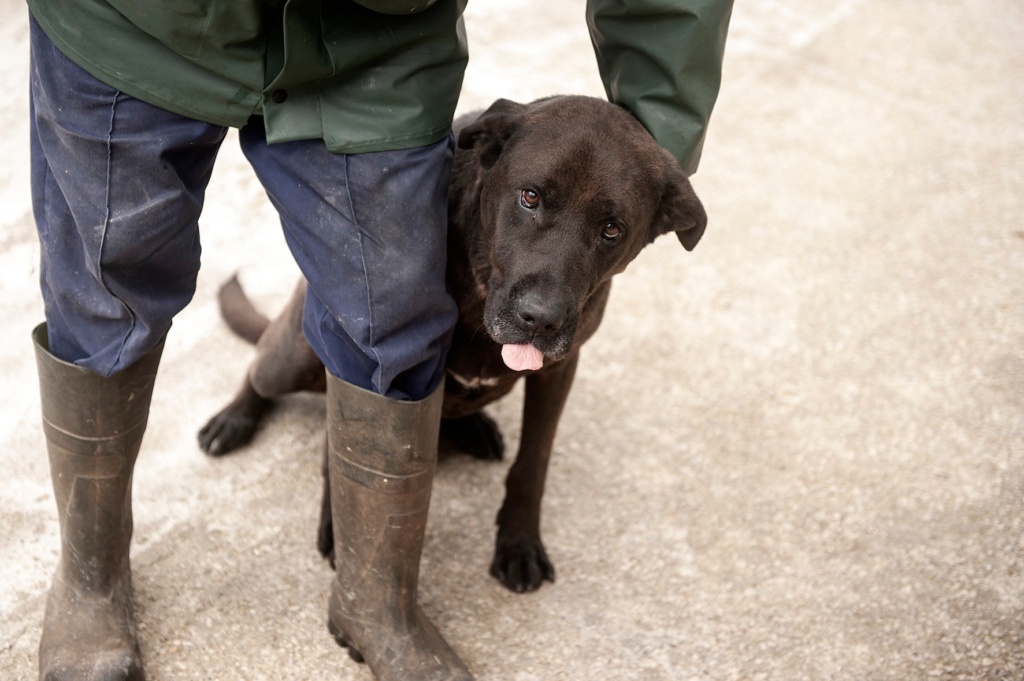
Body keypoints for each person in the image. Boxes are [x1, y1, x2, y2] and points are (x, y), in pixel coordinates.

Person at [25, 0, 733, 679]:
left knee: (389, 306)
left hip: (373, 41)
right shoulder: (499, 157)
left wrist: (653, 143)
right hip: (132, 20)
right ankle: (90, 577)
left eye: (609, 231)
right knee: (101, 291)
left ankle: (375, 599)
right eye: (533, 201)